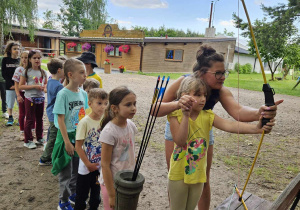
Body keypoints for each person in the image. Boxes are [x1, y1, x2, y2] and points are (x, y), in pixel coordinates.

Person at [156, 45, 283, 210]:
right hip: (178, 124)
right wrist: (178, 104)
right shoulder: (184, 82)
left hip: (203, 127)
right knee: (177, 175)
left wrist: (260, 112)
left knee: (202, 177)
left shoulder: (219, 90)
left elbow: (237, 112)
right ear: (202, 72)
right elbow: (157, 108)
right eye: (218, 73)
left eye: (224, 72)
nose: (222, 77)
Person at [167, 75, 275, 210]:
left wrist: (257, 128)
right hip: (178, 174)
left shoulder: (208, 115)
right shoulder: (175, 115)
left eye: (204, 95)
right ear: (184, 95)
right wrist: (186, 115)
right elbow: (180, 141)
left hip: (199, 174)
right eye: (198, 95)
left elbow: (230, 125)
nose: (203, 99)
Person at [51, 58, 88, 210]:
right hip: (65, 136)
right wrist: (66, 142)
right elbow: (60, 119)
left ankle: (72, 193)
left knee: (77, 169)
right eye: (82, 73)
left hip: (78, 137)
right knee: (66, 171)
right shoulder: (63, 94)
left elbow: (84, 116)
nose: (85, 75)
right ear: (71, 75)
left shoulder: (83, 94)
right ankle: (63, 201)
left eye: (85, 72)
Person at [100, 86, 137, 210]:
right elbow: (105, 165)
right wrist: (111, 195)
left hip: (127, 180)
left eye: (134, 104)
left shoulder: (131, 125)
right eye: (128, 105)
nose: (133, 108)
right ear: (114, 108)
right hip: (113, 184)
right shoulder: (109, 132)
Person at [74, 88, 108, 210]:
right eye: (99, 103)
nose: (103, 107)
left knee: (96, 197)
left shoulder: (105, 121)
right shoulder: (84, 122)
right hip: (86, 168)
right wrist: (88, 164)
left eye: (105, 103)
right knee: (81, 197)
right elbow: (78, 146)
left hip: (99, 167)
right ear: (90, 103)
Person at [39, 58, 64, 165]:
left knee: (53, 134)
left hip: (50, 112)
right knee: (53, 137)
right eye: (63, 69)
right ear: (59, 70)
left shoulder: (50, 81)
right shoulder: (59, 86)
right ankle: (44, 158)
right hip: (55, 115)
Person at [19, 50, 47, 149]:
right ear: (30, 59)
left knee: (40, 119)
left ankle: (40, 137)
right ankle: (28, 140)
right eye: (34, 58)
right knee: (30, 119)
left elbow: (45, 83)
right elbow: (21, 86)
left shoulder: (43, 72)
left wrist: (45, 87)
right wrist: (34, 86)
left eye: (39, 58)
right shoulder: (26, 71)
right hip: (30, 98)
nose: (37, 60)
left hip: (41, 98)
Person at [12, 50, 35, 140]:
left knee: (32, 113)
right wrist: (18, 95)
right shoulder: (19, 69)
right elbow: (16, 84)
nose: (24, 60)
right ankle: (22, 132)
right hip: (22, 93)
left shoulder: (33, 69)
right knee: (22, 113)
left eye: (26, 57)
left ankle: (32, 130)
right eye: (22, 57)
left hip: (31, 93)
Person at [1, 41, 20, 126]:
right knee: (10, 103)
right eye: (15, 49)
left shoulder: (20, 60)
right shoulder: (5, 60)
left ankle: (21, 118)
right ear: (10, 50)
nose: (17, 50)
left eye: (18, 49)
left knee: (20, 103)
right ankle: (10, 117)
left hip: (19, 86)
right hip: (10, 86)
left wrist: (19, 86)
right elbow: (4, 74)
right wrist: (10, 84)